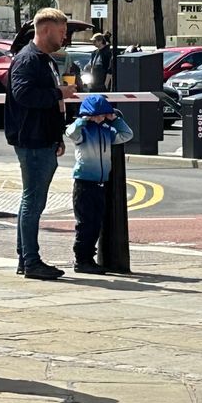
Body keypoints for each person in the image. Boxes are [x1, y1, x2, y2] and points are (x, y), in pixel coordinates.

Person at [5, 8, 74, 280]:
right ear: (45, 30)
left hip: (42, 138)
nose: (64, 36)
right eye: (61, 31)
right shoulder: (28, 60)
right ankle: (31, 260)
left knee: (31, 200)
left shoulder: (43, 59)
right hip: (32, 140)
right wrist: (59, 92)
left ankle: (26, 257)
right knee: (33, 201)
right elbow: (23, 94)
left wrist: (56, 136)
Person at [65, 92, 134, 272]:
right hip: (84, 183)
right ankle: (81, 259)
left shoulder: (107, 131)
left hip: (100, 183)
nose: (100, 117)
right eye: (96, 114)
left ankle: (89, 258)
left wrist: (115, 119)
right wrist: (83, 120)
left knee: (95, 223)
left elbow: (127, 134)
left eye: (103, 114)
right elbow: (70, 132)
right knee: (85, 224)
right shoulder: (83, 133)